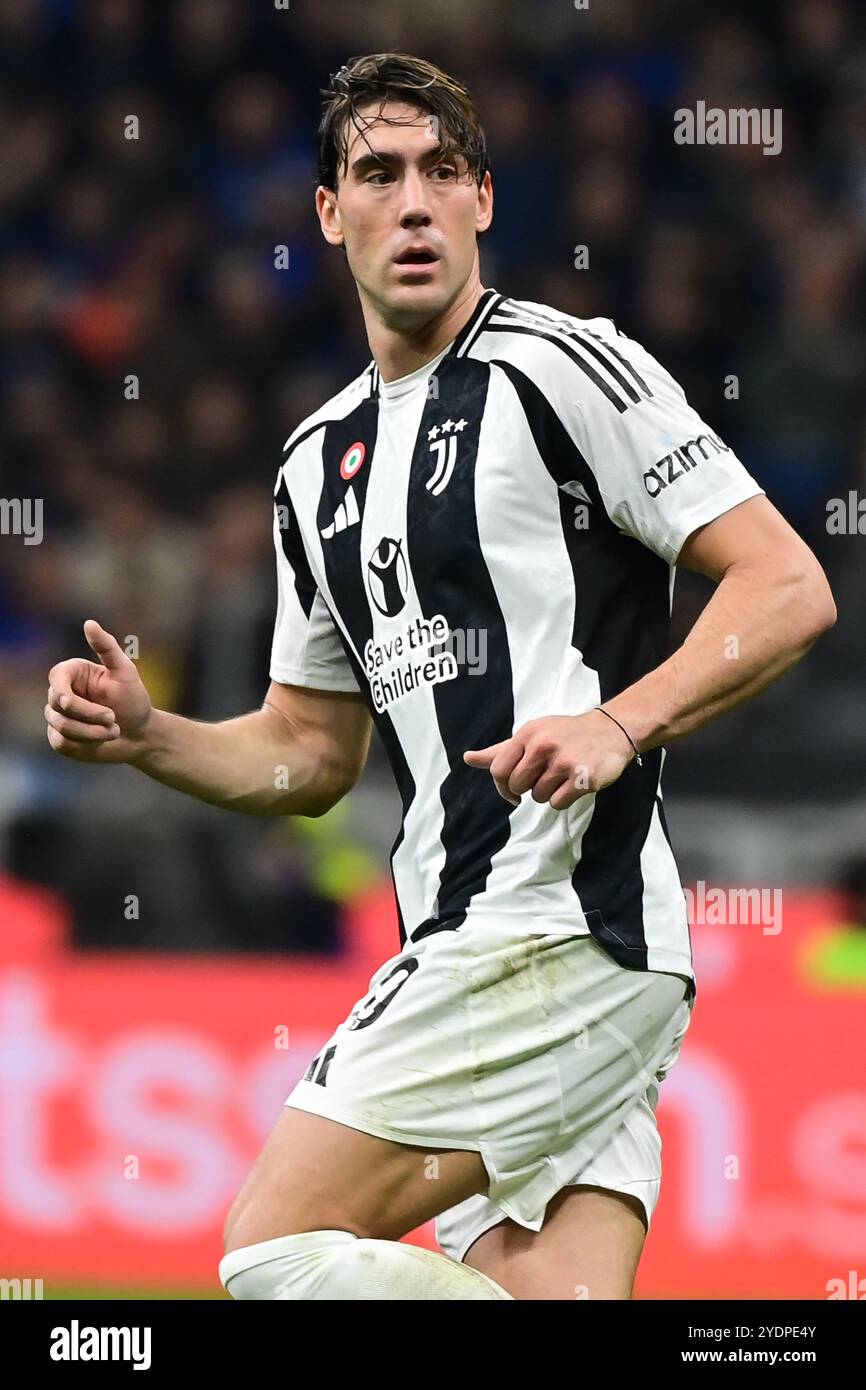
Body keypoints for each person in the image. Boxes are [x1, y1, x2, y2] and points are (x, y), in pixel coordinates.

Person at [44, 53, 836, 1300]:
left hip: (553, 928)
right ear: (326, 213)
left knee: (269, 1252)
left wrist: (616, 724)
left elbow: (786, 587)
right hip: (496, 948)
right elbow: (308, 756)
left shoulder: (565, 369)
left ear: (479, 199)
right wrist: (153, 736)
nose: (409, 202)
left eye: (439, 172)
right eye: (375, 174)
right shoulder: (315, 469)